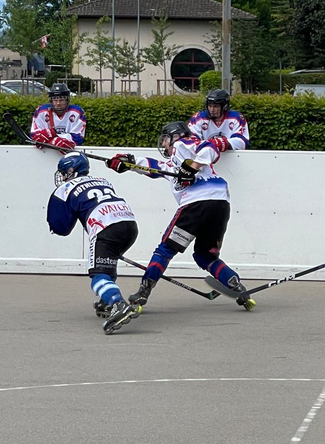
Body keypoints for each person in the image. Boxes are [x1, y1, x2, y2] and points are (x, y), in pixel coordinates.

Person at [106, 121, 256, 312]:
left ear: (174, 137)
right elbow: (154, 167)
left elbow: (211, 146)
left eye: (165, 139)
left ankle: (143, 292)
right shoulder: (172, 163)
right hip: (220, 204)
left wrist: (192, 166)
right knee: (205, 255)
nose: (164, 145)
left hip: (197, 204)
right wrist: (126, 162)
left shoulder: (183, 144)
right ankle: (236, 285)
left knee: (165, 250)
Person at [45, 152, 141, 334]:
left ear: (72, 170)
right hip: (130, 225)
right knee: (106, 263)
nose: (63, 176)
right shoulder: (102, 180)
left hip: (105, 227)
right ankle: (106, 301)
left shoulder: (65, 188)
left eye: (65, 172)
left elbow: (61, 228)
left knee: (97, 275)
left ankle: (117, 303)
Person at [30, 82, 85, 149]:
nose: (58, 103)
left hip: (69, 154)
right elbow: (35, 135)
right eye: (55, 100)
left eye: (61, 100)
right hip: (45, 153)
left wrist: (55, 138)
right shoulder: (41, 111)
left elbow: (78, 137)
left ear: (67, 100)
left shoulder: (77, 112)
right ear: (51, 101)